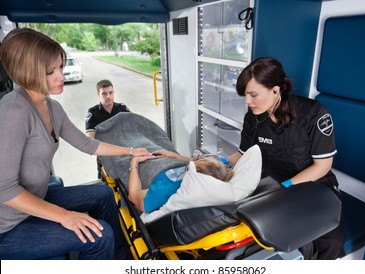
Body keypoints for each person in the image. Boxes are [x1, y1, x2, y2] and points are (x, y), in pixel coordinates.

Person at [0, 28, 151, 260]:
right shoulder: (14, 111)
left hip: (36, 199)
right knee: (101, 236)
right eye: (51, 72)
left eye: (60, 66)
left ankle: (122, 260)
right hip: (8, 227)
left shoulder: (52, 107)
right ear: (27, 72)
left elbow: (88, 145)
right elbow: (5, 190)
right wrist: (63, 215)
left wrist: (132, 151)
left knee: (103, 194)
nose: (61, 75)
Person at [227, 57, 345, 260]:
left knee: (330, 242)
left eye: (253, 95)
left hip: (314, 186)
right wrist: (209, 164)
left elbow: (322, 166)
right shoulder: (253, 118)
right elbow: (242, 155)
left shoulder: (314, 114)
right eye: (245, 95)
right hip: (270, 186)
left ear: (275, 90)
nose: (247, 101)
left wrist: (284, 187)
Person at [127, 151, 234, 213]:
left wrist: (134, 163)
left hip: (148, 166)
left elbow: (133, 195)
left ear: (190, 170)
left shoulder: (164, 191)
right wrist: (175, 156)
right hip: (167, 158)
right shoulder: (217, 170)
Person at [85, 79, 130, 178]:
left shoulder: (123, 109)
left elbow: (133, 130)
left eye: (111, 92)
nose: (108, 96)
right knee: (107, 183)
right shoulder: (93, 113)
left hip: (125, 152)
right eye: (104, 93)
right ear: (98, 94)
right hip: (105, 156)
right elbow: (90, 139)